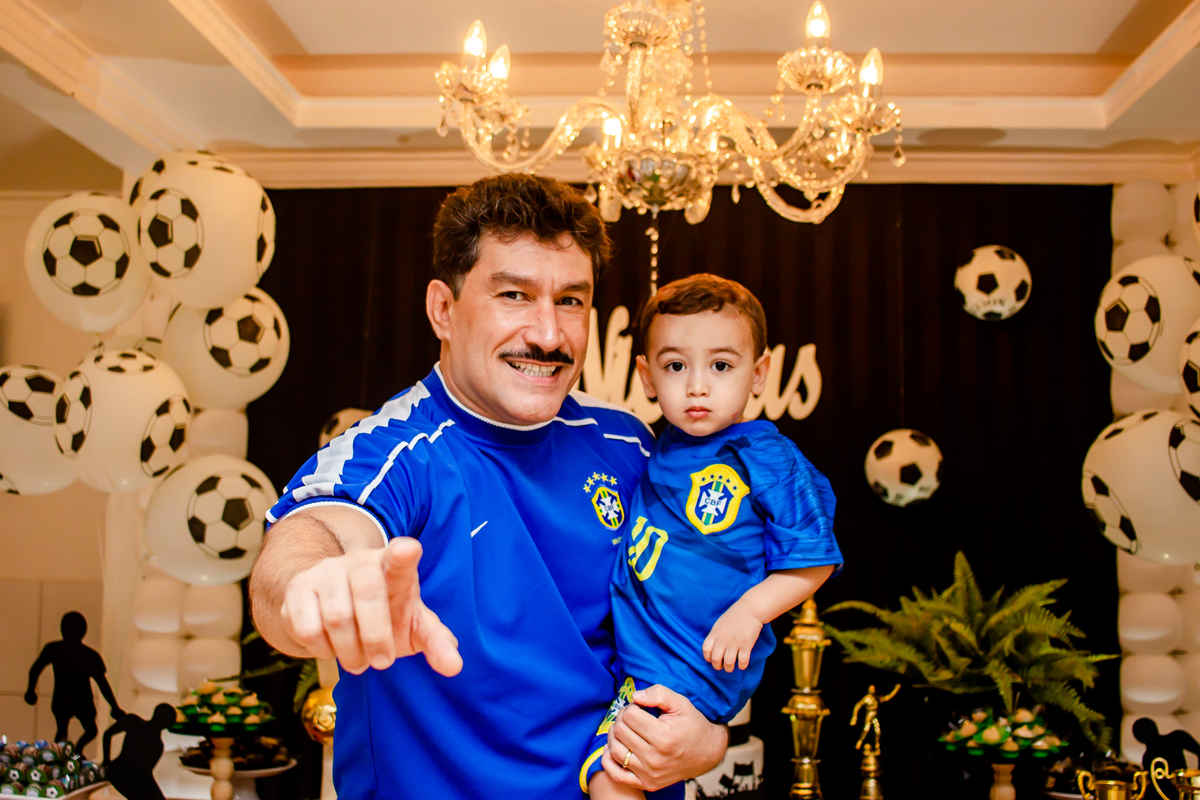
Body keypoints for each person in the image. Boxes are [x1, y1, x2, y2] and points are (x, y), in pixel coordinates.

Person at [249, 174, 728, 799]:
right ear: (443, 310)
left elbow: (679, 627)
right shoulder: (400, 452)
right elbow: (307, 542)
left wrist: (707, 737)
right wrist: (316, 588)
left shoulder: (629, 444)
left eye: (571, 301)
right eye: (514, 295)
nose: (549, 335)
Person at [585, 274, 843, 799]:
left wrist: (749, 613)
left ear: (758, 374)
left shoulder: (769, 457)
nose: (697, 385)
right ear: (647, 377)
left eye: (721, 366)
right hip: (636, 659)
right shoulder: (658, 445)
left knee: (612, 779)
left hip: (686, 663)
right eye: (676, 366)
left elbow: (814, 558)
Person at [25, 611, 122, 751]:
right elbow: (102, 684)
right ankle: (69, 755)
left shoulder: (57, 649)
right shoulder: (87, 655)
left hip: (71, 697)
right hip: (75, 698)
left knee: (72, 731)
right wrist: (115, 707)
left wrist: (31, 690)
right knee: (77, 731)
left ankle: (71, 754)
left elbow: (35, 669)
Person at [102, 703, 175, 800]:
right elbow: (107, 734)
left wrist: (107, 761)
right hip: (120, 773)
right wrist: (106, 761)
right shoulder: (135, 723)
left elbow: (146, 773)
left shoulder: (157, 744)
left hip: (126, 774)